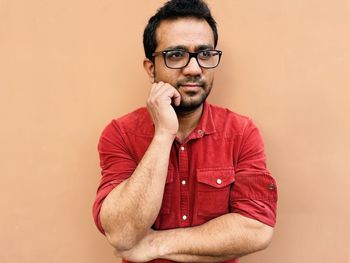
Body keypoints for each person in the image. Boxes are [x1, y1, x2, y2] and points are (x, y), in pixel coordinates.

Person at [92, 0, 278, 262]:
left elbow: (256, 229)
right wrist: (163, 134)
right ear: (151, 68)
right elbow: (122, 234)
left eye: (204, 54)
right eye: (176, 55)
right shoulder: (120, 134)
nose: (194, 69)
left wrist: (156, 244)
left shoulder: (241, 132)